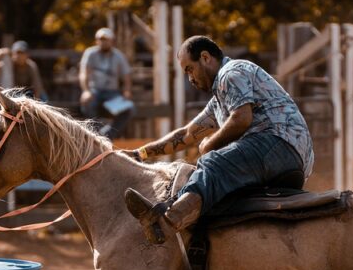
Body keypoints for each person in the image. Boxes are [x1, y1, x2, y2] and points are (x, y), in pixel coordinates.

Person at [124, 35, 315, 240]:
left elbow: (241, 119)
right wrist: (141, 153)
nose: (190, 78)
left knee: (212, 161)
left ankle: (170, 219)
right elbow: (186, 135)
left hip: (277, 144)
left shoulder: (231, 73)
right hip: (292, 157)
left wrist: (208, 146)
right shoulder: (219, 99)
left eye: (189, 69)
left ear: (205, 57)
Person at [79, 27, 133, 138]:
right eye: (100, 39)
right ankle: (96, 135)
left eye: (106, 39)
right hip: (95, 91)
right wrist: (86, 91)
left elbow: (126, 75)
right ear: (96, 40)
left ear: (112, 41)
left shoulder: (119, 56)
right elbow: (84, 73)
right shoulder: (90, 53)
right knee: (87, 104)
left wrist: (127, 90)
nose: (103, 42)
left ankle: (107, 135)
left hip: (112, 93)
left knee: (129, 109)